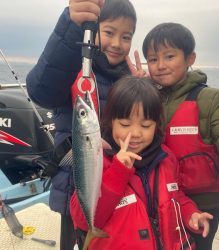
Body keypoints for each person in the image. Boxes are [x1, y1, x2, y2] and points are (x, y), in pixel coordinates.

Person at [127, 22, 219, 250]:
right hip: (158, 197)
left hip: (204, 204)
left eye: (169, 56)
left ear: (190, 58)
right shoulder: (147, 98)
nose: (160, 66)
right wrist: (139, 88)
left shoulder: (213, 99)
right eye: (153, 59)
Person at [26, 0, 137, 249]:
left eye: (126, 36)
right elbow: (40, 90)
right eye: (109, 32)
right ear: (93, 31)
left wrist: (145, 88)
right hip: (73, 190)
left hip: (118, 188)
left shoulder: (128, 77)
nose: (117, 43)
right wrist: (71, 26)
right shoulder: (73, 67)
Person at [70, 75, 213, 250]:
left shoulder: (166, 158)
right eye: (124, 124)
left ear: (156, 125)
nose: (136, 133)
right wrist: (118, 172)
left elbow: (176, 197)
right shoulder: (99, 161)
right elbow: (83, 220)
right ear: (110, 122)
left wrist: (191, 213)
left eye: (145, 126)